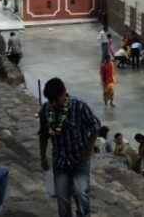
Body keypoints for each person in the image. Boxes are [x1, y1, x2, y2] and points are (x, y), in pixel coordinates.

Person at [39, 77, 101, 217]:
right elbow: (43, 134)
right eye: (51, 101)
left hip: (79, 157)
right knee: (62, 196)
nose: (54, 104)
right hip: (60, 160)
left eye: (56, 99)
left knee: (81, 191)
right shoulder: (46, 109)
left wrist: (89, 147)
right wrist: (43, 157)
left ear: (64, 93)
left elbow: (96, 126)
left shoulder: (79, 106)